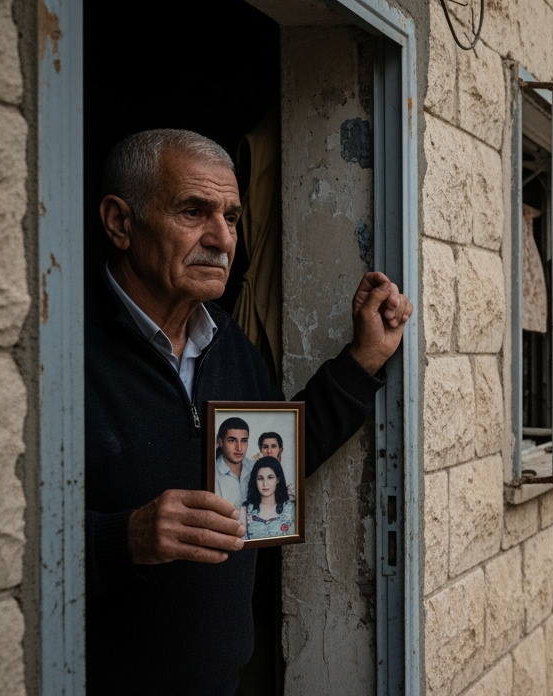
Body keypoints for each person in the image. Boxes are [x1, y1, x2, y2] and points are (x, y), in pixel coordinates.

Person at [85, 129, 414, 695]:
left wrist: (363, 359)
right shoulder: (55, 351)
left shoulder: (228, 342)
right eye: (194, 211)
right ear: (120, 222)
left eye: (233, 218)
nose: (222, 239)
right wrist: (126, 539)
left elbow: (273, 461)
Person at [244, 456, 295, 540]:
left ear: (278, 479)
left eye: (270, 477)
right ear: (255, 481)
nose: (265, 483)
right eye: (260, 478)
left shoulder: (290, 509)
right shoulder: (246, 511)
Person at [213, 417, 252, 508]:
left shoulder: (255, 468)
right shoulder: (213, 474)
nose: (239, 448)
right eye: (232, 440)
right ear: (220, 442)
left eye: (244, 441)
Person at [253, 431, 295, 500]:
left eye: (273, 446)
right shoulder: (255, 470)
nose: (269, 451)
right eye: (265, 447)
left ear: (280, 450)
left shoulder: (289, 472)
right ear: (261, 450)